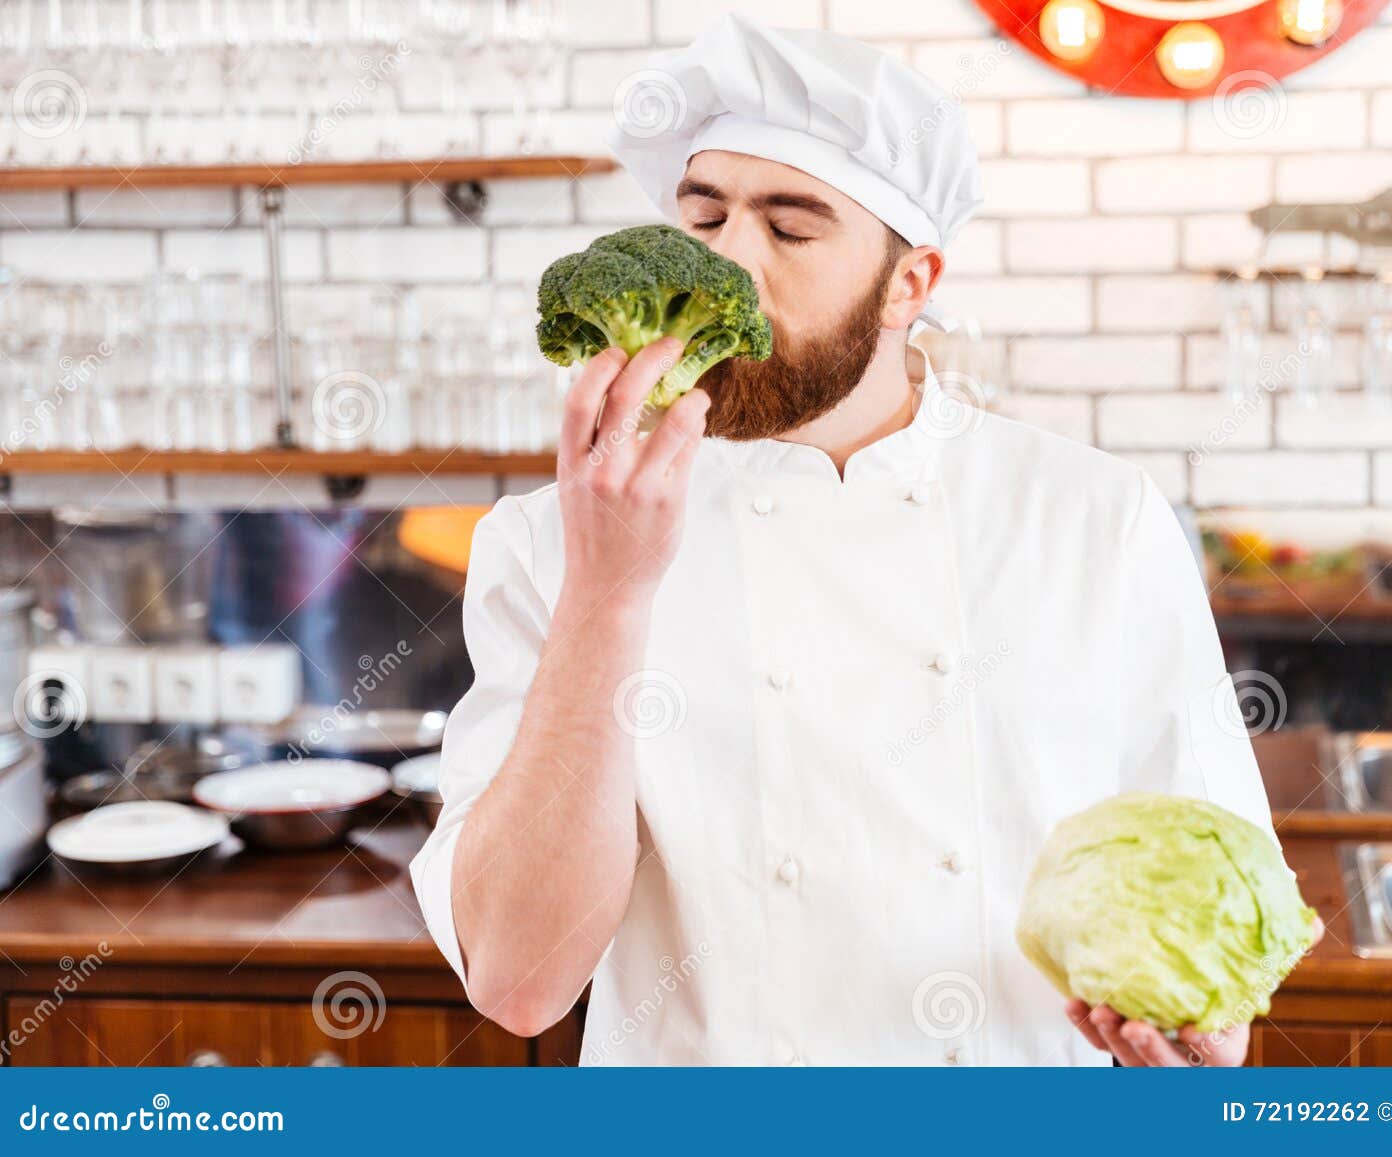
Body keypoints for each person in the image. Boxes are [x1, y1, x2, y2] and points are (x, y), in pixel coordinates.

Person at [410, 13, 1320, 1067]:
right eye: (701, 217)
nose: (728, 261)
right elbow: (520, 982)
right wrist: (608, 595)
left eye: (790, 227)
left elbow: (1215, 959)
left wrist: (1191, 1048)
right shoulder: (551, 539)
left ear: (910, 285)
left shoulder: (1093, 520)